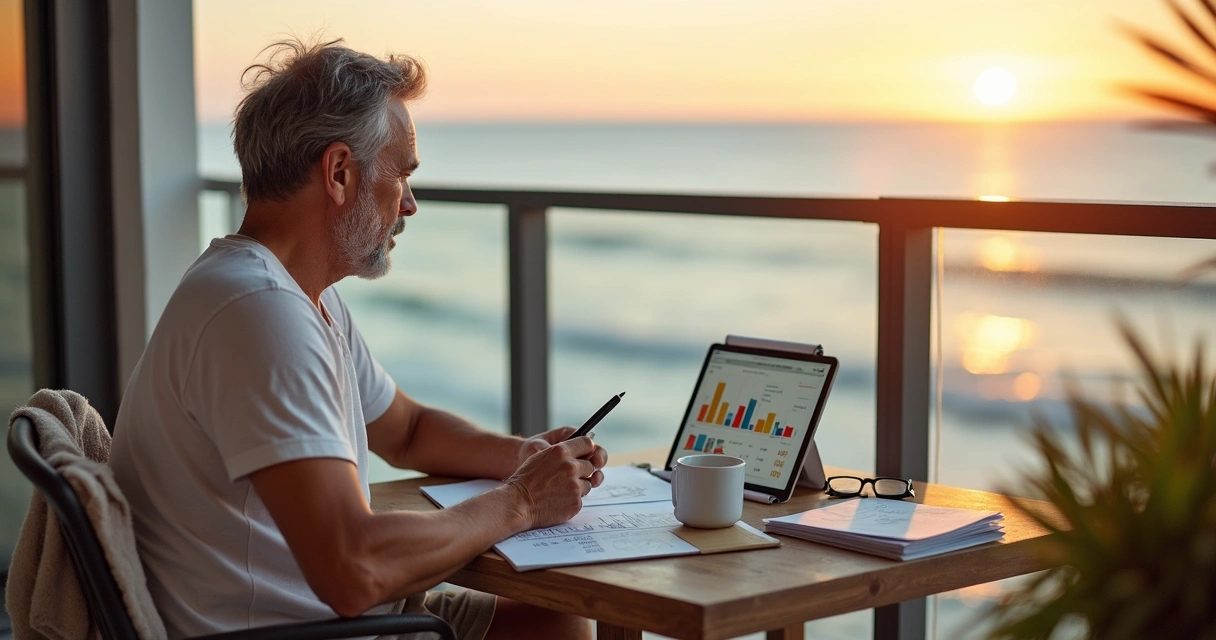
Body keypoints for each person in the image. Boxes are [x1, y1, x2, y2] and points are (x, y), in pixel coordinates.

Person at [110, 38, 607, 640]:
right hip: (293, 629)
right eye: (401, 175)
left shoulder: (292, 293)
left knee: (557, 621)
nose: (411, 204)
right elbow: (354, 567)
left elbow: (405, 430)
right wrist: (522, 501)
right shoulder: (259, 312)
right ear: (340, 172)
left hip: (319, 615)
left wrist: (524, 457)